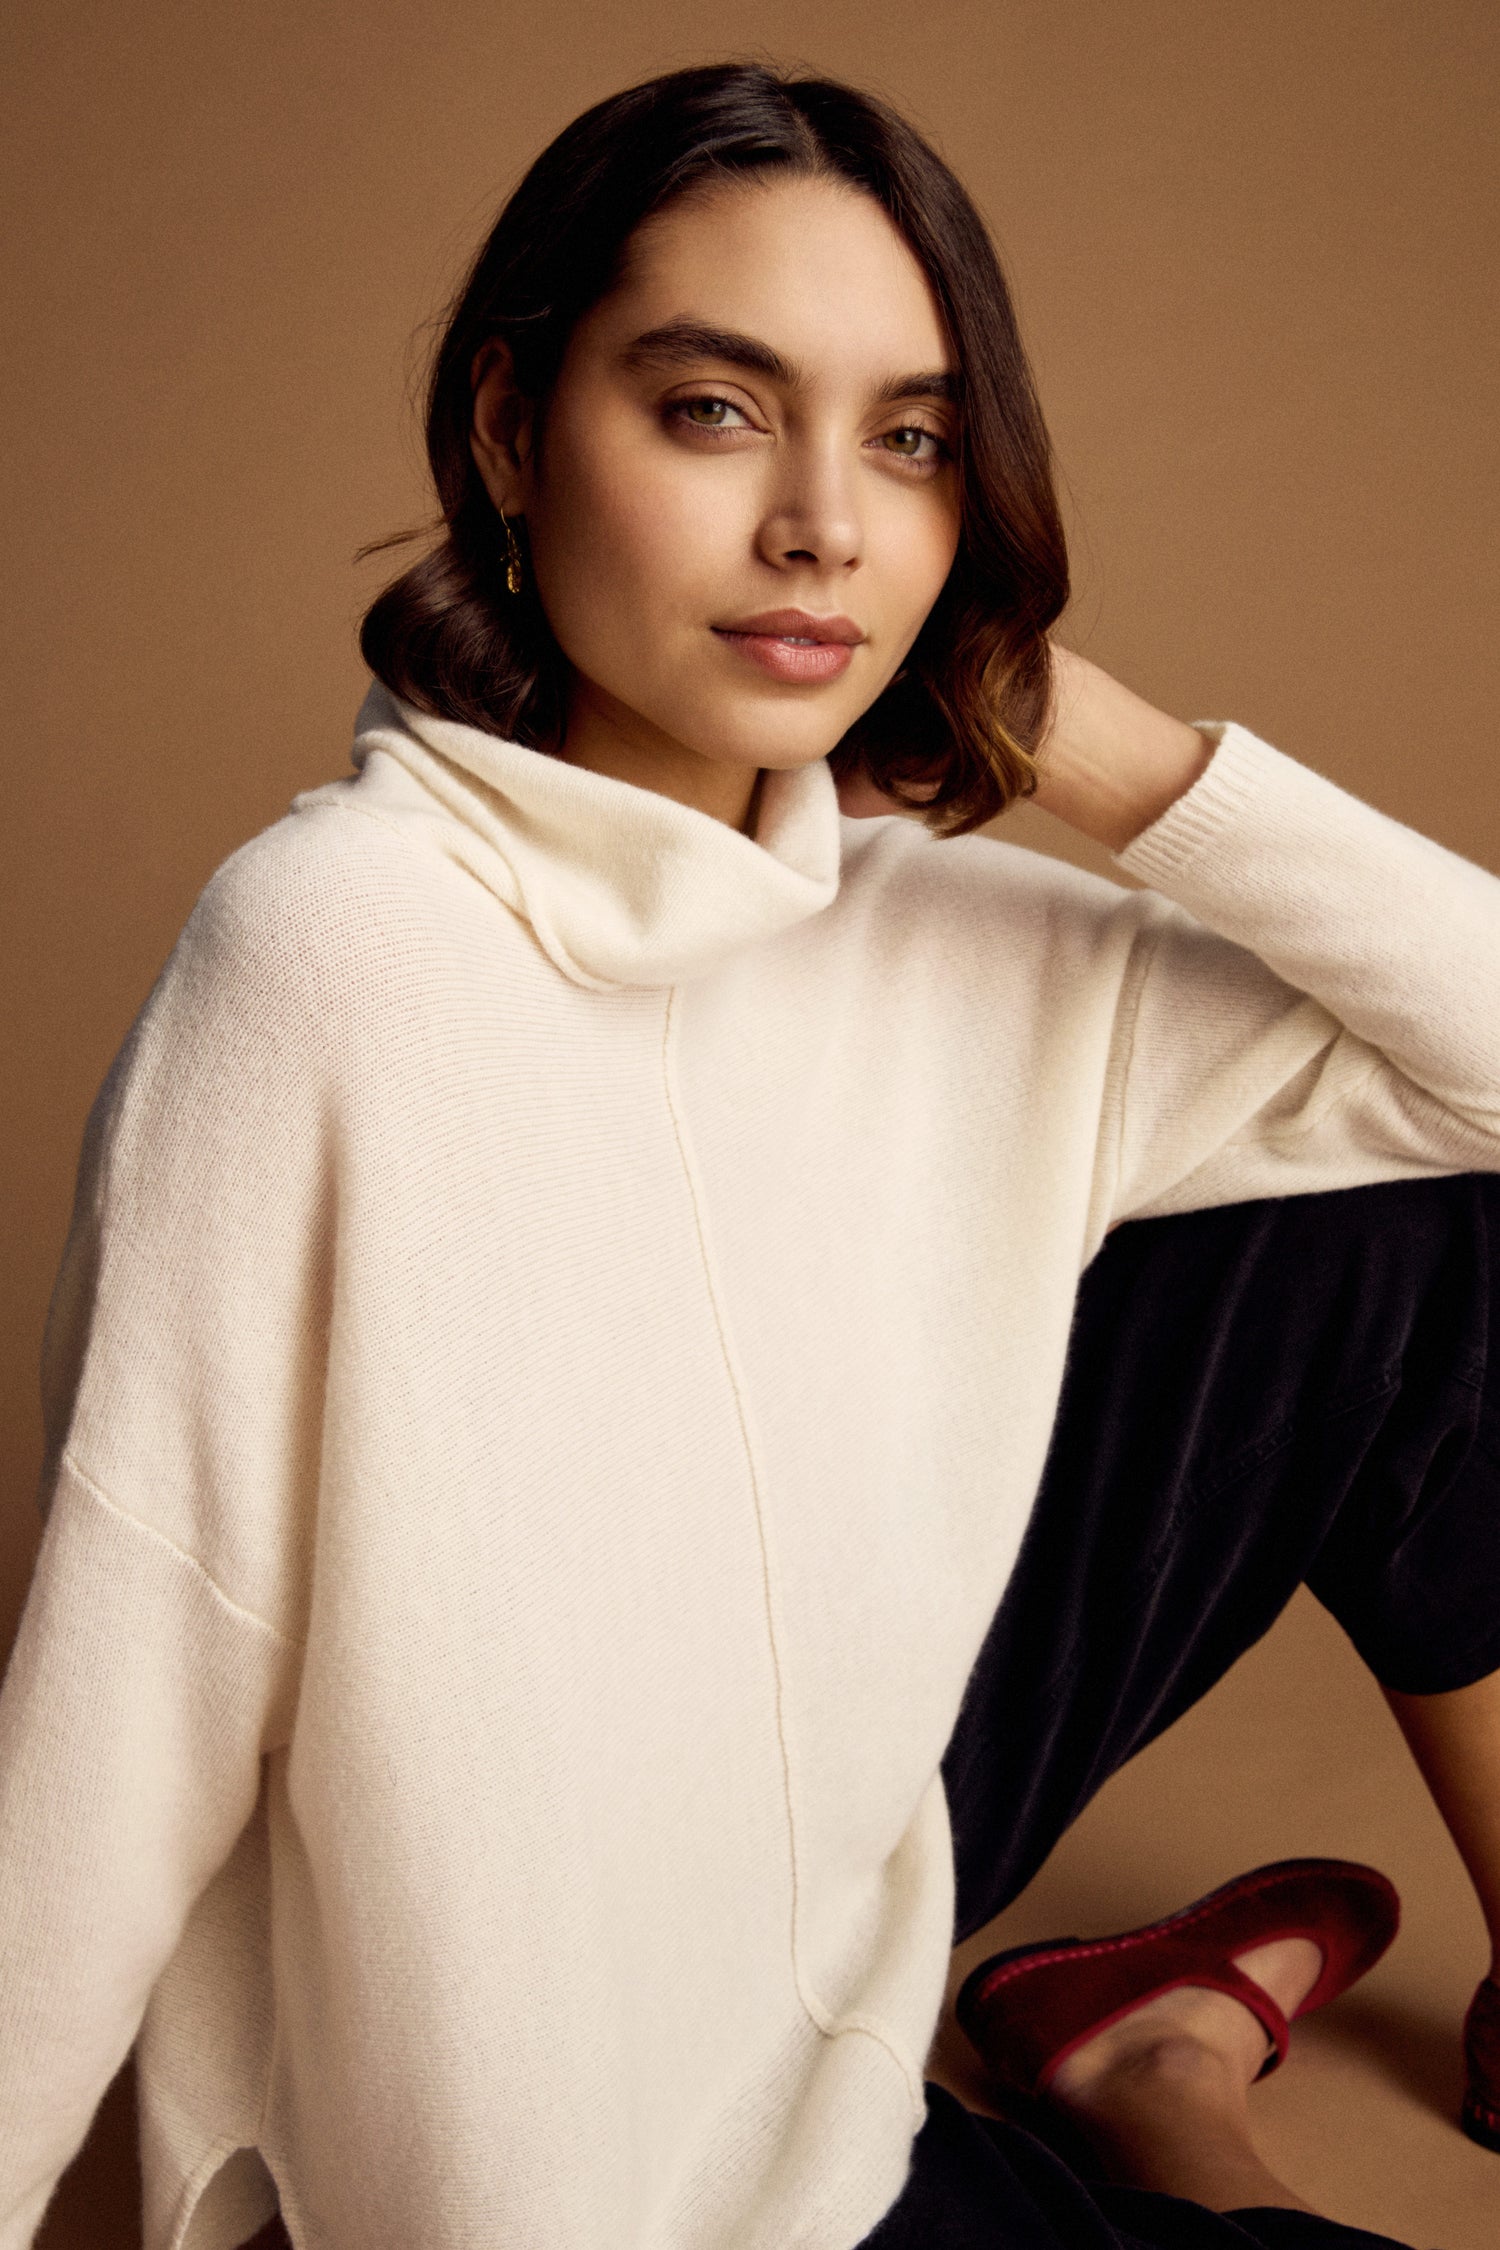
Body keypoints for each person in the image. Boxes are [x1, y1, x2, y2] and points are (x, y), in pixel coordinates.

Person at [1, 56, 1497, 2250]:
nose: (824, 527)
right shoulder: (337, 951)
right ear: (510, 431)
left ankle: (1153, 2053)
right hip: (604, 2167)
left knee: (1421, 1223)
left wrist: (1097, 746)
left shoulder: (947, 937)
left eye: (910, 440)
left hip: (826, 1882)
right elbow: (126, 1701)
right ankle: (1157, 2074)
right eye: (713, 410)